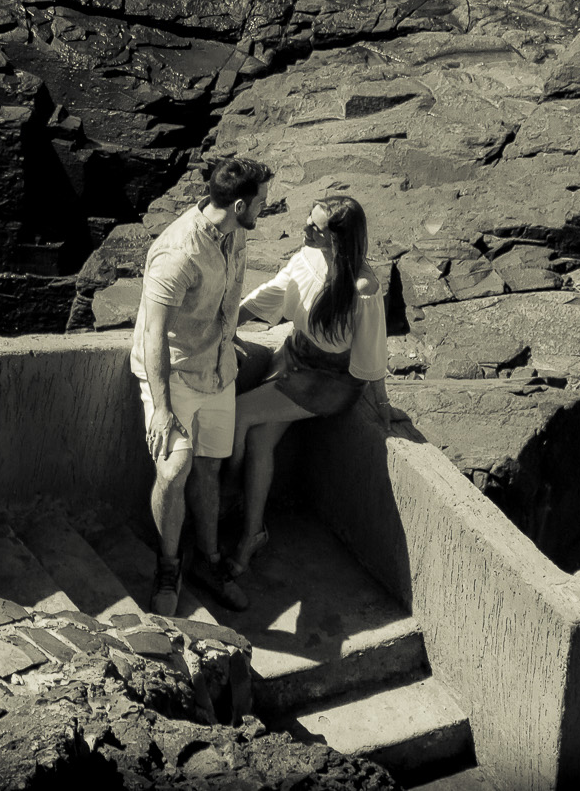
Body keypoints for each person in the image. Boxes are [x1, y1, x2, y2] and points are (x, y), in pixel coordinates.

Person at [132, 156, 274, 616]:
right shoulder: (178, 252)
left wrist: (227, 341)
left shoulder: (235, 235)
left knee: (210, 468)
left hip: (218, 371)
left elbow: (226, 300)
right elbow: (154, 332)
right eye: (261, 203)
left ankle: (208, 561)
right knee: (174, 471)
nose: (264, 211)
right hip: (173, 375)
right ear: (238, 204)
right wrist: (160, 406)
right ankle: (168, 568)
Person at [226, 195, 395, 581]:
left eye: (316, 227)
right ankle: (252, 533)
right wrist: (227, 324)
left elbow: (372, 353)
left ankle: (226, 494)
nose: (305, 226)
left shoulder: (362, 287)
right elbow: (274, 292)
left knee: (240, 415)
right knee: (259, 441)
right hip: (293, 357)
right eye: (310, 218)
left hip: (327, 383)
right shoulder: (307, 257)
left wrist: (381, 402)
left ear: (338, 239)